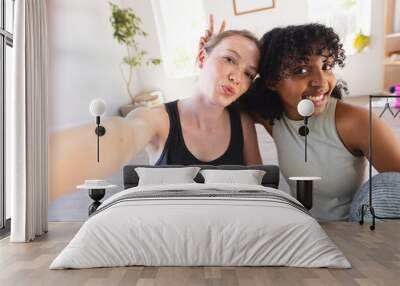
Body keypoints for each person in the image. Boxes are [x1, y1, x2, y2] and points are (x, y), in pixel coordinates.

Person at [200, 22, 400, 221]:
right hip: (302, 226)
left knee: (385, 185)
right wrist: (213, 58)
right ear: (272, 81)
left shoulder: (357, 121)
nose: (321, 82)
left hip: (352, 230)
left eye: (326, 66)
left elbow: (395, 185)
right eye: (302, 70)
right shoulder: (272, 116)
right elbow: (218, 99)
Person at [49, 28, 262, 201]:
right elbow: (124, 136)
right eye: (230, 59)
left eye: (248, 74)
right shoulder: (159, 119)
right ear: (201, 58)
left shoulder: (243, 123)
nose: (237, 77)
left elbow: (260, 190)